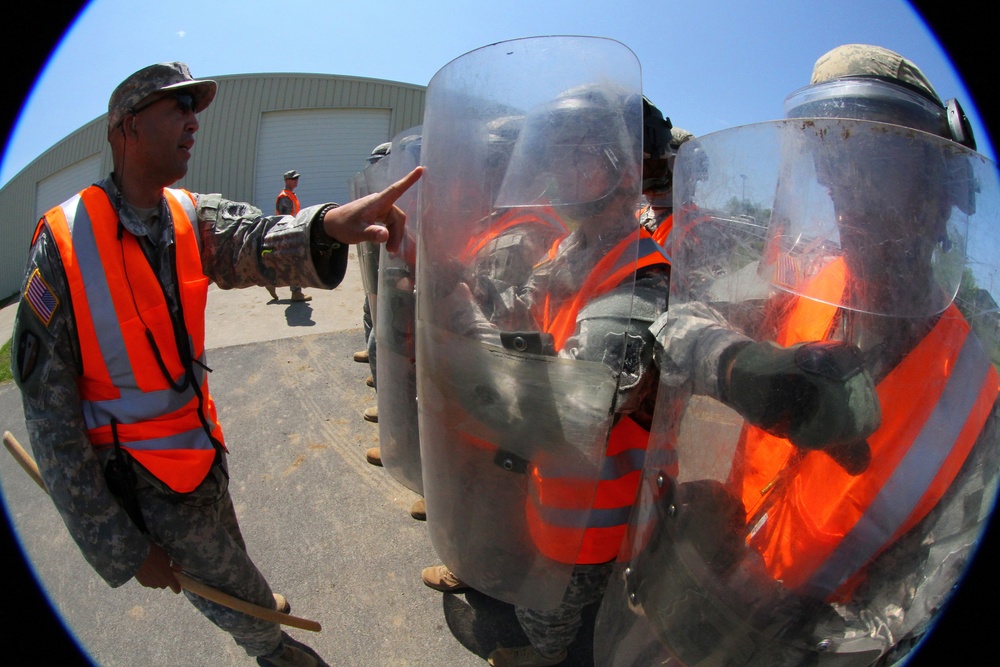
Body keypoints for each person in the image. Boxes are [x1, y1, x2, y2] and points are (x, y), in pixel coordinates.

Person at [594, 44, 999, 667]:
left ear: (941, 190)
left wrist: (774, 621)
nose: (853, 196)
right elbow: (667, 310)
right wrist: (731, 362)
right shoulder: (803, 284)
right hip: (689, 593)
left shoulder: (980, 409)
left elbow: (917, 612)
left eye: (882, 167)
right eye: (834, 163)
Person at [9, 62, 421, 667]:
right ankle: (273, 648)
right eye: (176, 107)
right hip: (144, 486)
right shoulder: (64, 238)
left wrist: (331, 222)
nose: (193, 121)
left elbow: (253, 239)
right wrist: (121, 546)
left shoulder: (186, 214)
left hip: (202, 457)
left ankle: (252, 603)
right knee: (230, 593)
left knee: (229, 560)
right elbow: (49, 418)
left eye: (194, 108)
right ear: (126, 128)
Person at [416, 45, 670, 666]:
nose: (556, 169)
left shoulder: (640, 277)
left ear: (622, 164)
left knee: (554, 630)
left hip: (595, 518)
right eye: (551, 153)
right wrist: (448, 274)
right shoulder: (574, 251)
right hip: (557, 494)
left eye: (576, 152)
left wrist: (455, 309)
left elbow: (574, 404)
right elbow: (515, 310)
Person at [265, 169, 311, 302]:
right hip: (288, 233)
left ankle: (270, 282)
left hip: (292, 231)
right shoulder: (285, 197)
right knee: (294, 262)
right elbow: (285, 218)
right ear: (287, 181)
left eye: (297, 178)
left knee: (286, 262)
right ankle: (295, 293)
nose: (297, 180)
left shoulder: (291, 195)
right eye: (294, 178)